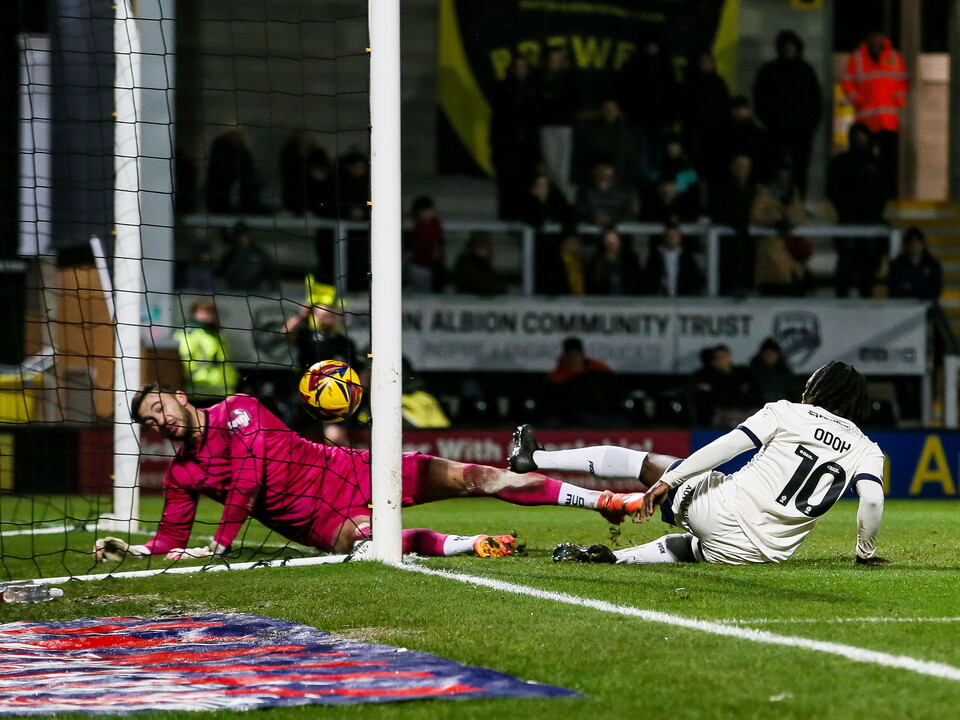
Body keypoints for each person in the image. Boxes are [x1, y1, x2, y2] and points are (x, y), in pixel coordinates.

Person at [92, 385, 648, 561]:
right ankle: (472, 543)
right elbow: (168, 540)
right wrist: (136, 551)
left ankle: (603, 502)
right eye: (149, 420)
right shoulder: (183, 476)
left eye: (160, 406)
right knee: (374, 545)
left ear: (180, 397)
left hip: (355, 470)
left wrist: (223, 541)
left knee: (480, 477)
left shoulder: (238, 407)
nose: (160, 419)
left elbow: (252, 475)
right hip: (316, 522)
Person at [510, 361, 886, 566]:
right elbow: (871, 500)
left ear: (818, 389)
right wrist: (864, 555)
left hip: (721, 513)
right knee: (688, 547)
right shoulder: (868, 448)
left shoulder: (787, 412)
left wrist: (669, 480)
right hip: (762, 555)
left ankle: (535, 457)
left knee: (646, 463)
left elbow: (728, 446)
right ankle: (612, 558)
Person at [753, 31, 822, 196]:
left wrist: (810, 124)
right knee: (772, 167)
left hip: (802, 130)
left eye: (792, 46)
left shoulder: (806, 71)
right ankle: (771, 204)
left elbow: (816, 100)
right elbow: (760, 98)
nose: (789, 49)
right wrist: (771, 120)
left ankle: (797, 203)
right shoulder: (769, 71)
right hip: (777, 130)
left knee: (800, 169)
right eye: (786, 46)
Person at [840, 30, 908, 199]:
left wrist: (898, 100)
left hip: (887, 121)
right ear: (868, 39)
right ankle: (865, 194)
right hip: (866, 120)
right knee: (863, 161)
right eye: (873, 38)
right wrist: (858, 100)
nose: (877, 41)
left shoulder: (894, 57)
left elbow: (903, 81)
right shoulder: (857, 58)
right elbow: (847, 82)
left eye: (880, 38)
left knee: (889, 161)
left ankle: (889, 195)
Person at [826, 123, 888, 298]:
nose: (860, 141)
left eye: (863, 137)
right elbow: (833, 189)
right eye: (857, 137)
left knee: (869, 261)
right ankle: (842, 294)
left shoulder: (875, 164)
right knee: (846, 258)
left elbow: (882, 191)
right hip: (849, 219)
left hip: (870, 220)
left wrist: (875, 213)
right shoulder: (842, 162)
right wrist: (844, 210)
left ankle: (865, 293)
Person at [490, 55, 541, 220]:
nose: (520, 69)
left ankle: (523, 214)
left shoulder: (533, 89)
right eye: (517, 66)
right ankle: (508, 215)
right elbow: (497, 119)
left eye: (523, 66)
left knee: (525, 182)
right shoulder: (503, 89)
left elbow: (535, 119)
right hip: (508, 145)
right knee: (507, 183)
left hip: (527, 146)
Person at [751, 164, 811, 296]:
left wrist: (790, 220)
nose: (783, 179)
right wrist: (774, 221)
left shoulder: (794, 194)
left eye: (787, 176)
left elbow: (801, 215)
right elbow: (756, 215)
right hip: (771, 250)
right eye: (780, 175)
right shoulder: (764, 194)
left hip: (792, 254)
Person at [173, 300, 239, 406]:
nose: (208, 316)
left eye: (211, 312)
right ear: (194, 313)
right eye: (203, 312)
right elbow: (185, 359)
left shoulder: (217, 334)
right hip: (199, 393)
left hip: (222, 393)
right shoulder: (189, 334)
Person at [206, 128, 267, 215]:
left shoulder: (242, 153)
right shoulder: (221, 153)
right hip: (221, 198)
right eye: (234, 137)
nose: (237, 139)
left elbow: (249, 169)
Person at [278, 130, 336, 217]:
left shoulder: (318, 153)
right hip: (294, 185)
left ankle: (313, 209)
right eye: (301, 138)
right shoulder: (289, 153)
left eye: (306, 138)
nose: (304, 140)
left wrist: (320, 174)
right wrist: (308, 173)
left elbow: (326, 169)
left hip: (315, 187)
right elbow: (286, 170)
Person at [643, 222, 704, 297]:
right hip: (660, 301)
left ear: (679, 237)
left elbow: (695, 282)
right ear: (665, 237)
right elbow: (648, 279)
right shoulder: (655, 258)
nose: (672, 239)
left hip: (683, 301)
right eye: (670, 236)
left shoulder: (687, 259)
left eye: (675, 236)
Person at [216, 222, 278, 293]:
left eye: (244, 235)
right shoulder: (230, 255)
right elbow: (220, 275)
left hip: (256, 293)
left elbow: (272, 274)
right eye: (239, 235)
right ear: (235, 237)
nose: (242, 238)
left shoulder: (260, 254)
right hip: (233, 292)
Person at [575, 160, 637, 229]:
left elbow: (632, 212)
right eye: (600, 170)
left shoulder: (626, 189)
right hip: (590, 231)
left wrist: (612, 219)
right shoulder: (585, 189)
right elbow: (580, 210)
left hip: (620, 232)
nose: (603, 174)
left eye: (606, 170)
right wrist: (593, 218)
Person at [887, 226, 942, 301]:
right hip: (902, 305)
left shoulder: (932, 265)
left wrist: (912, 287)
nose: (914, 246)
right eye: (911, 243)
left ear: (922, 244)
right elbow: (893, 290)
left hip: (926, 305)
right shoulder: (897, 265)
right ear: (906, 245)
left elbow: (935, 290)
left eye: (917, 242)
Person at [403, 195, 445, 293]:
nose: (428, 214)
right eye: (425, 211)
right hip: (418, 266)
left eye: (430, 210)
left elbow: (439, 248)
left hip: (433, 266)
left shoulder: (437, 227)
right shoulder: (414, 229)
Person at [586, 229, 642, 295]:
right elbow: (594, 283)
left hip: (627, 298)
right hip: (604, 299)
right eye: (608, 240)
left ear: (620, 242)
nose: (611, 244)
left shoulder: (630, 259)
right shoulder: (597, 260)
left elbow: (636, 281)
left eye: (614, 240)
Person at [748, 337, 800, 405]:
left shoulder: (785, 372)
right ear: (762, 355)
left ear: (778, 355)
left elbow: (794, 393)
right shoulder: (753, 372)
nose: (770, 356)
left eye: (772, 353)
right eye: (767, 353)